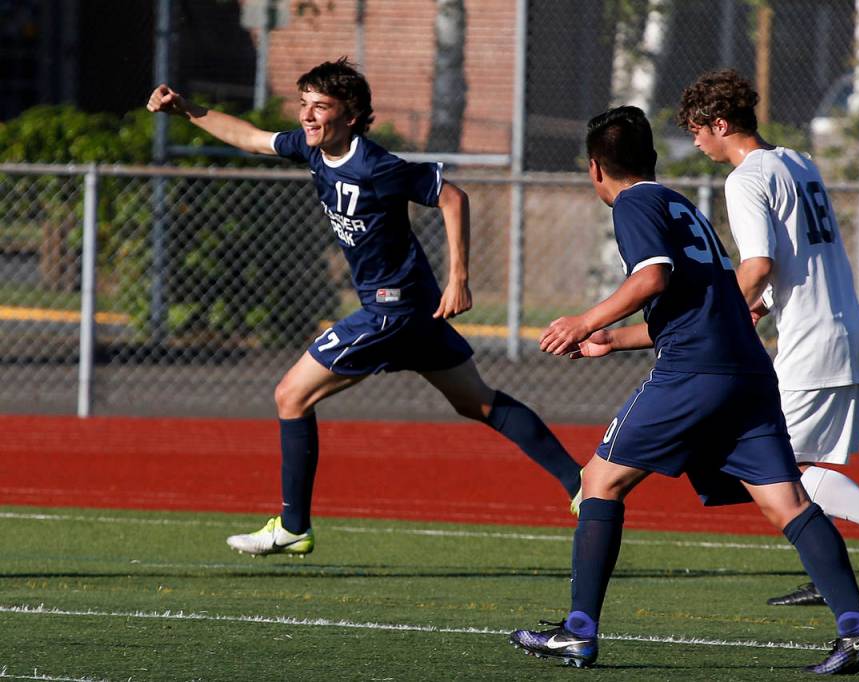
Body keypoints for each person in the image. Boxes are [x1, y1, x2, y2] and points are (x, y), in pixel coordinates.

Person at [146, 57, 582, 556]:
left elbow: (453, 197)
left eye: (321, 107)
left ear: (351, 115)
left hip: (392, 311)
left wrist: (459, 277)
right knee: (476, 401)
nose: (307, 117)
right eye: (305, 104)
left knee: (291, 395)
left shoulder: (378, 166)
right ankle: (579, 483)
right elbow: (248, 136)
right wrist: (185, 110)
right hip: (415, 312)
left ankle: (292, 527)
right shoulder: (311, 151)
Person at [508, 105, 859, 675]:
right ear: (653, 157)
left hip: (694, 374)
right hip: (748, 370)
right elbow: (698, 306)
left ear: (594, 169)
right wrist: (616, 340)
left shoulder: (634, 202)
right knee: (787, 502)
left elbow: (651, 277)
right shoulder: (679, 203)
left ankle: (579, 632)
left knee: (598, 481)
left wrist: (582, 322)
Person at [676, 68, 859, 605]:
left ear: (720, 124)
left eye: (697, 129)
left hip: (812, 344)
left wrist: (709, 320)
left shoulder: (745, 178)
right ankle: (839, 563)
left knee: (762, 467)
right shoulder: (799, 160)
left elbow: (757, 265)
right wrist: (761, 308)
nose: (695, 140)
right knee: (782, 467)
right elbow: (796, 265)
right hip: (842, 331)